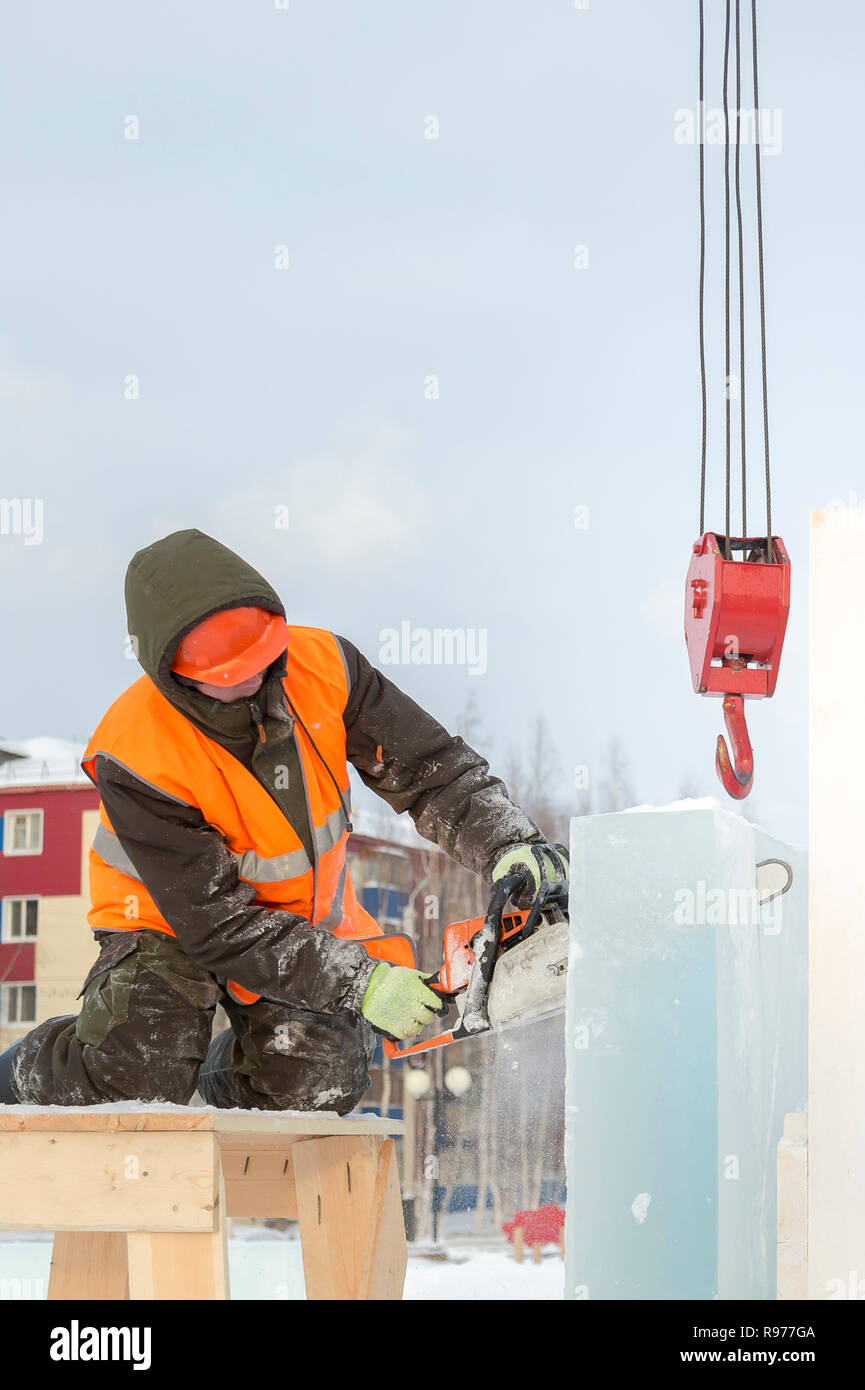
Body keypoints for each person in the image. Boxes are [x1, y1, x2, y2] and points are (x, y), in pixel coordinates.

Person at [1, 530, 568, 1113]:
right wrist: (359, 981)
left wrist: (509, 845)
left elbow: (430, 771)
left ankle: (209, 1081)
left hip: (295, 923)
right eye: (226, 677)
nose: (250, 681)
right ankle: (26, 1074)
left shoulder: (327, 668)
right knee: (141, 1069)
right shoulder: (136, 750)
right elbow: (216, 924)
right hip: (166, 924)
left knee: (316, 1084)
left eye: (260, 662)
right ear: (173, 673)